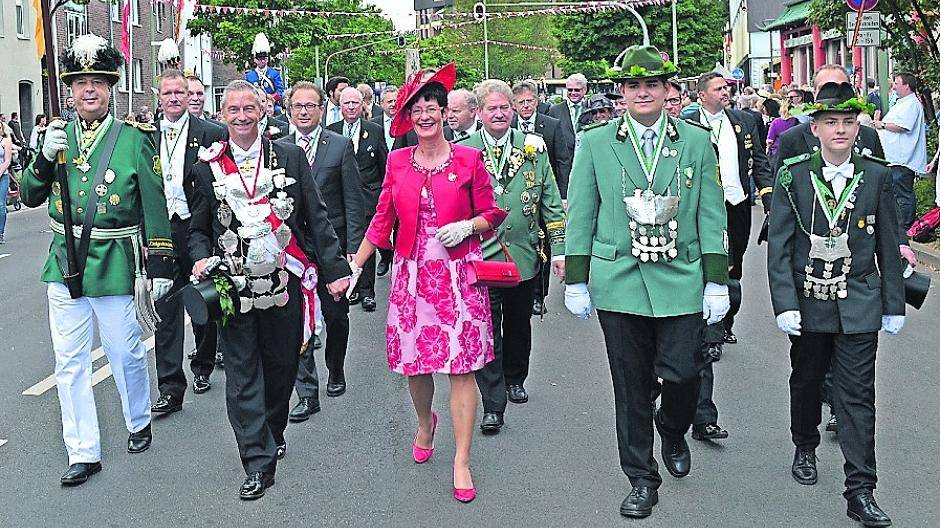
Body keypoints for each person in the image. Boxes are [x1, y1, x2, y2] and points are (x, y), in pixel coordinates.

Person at [564, 45, 730, 518]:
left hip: (681, 276)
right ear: (622, 93)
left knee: (683, 373)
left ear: (666, 91)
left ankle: (673, 427)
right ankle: (641, 477)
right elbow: (582, 213)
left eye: (651, 85)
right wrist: (577, 279)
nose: (642, 93)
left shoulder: (695, 141)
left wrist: (715, 281)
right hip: (619, 279)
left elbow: (710, 212)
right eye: (633, 85)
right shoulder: (596, 142)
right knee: (630, 385)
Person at [19, 33, 176, 486]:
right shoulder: (56, 135)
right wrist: (43, 159)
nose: (89, 90)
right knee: (68, 360)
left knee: (124, 350)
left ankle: (138, 418)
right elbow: (29, 194)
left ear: (110, 89)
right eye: (81, 82)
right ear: (69, 90)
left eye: (98, 82)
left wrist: (161, 264)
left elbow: (153, 205)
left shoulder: (133, 139)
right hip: (64, 261)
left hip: (113, 261)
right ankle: (83, 450)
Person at [349, 63, 507, 503]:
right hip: (412, 275)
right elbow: (382, 220)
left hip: (458, 276)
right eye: (417, 109)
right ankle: (424, 423)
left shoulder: (469, 159)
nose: (425, 115)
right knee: (416, 367)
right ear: (408, 117)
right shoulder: (398, 162)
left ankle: (461, 459)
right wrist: (357, 265)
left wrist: (469, 226)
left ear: (444, 112)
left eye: (432, 107)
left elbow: (493, 214)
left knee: (461, 369)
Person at [188, 79, 351, 499]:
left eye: (249, 108)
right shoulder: (206, 165)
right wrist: (201, 257)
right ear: (222, 115)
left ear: (261, 111)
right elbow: (198, 230)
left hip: (284, 283)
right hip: (234, 288)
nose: (242, 116)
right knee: (242, 376)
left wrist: (335, 270)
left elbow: (315, 217)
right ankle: (257, 461)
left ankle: (272, 430)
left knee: (280, 370)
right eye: (233, 110)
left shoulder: (290, 157)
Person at [767, 81, 904, 528]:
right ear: (817, 128)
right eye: (831, 123)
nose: (841, 130)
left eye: (848, 121)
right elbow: (781, 245)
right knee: (806, 379)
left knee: (858, 396)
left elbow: (888, 241)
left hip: (860, 300)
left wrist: (893, 304)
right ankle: (804, 443)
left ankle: (861, 490)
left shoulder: (876, 175)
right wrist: (784, 301)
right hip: (809, 299)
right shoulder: (794, 173)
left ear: (858, 125)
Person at [459, 79, 566, 433]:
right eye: (492, 108)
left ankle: (516, 376)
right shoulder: (464, 150)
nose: (500, 113)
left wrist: (561, 251)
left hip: (523, 254)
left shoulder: (533, 147)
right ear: (479, 113)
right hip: (480, 255)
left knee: (519, 322)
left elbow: (550, 202)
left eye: (505, 107)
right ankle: (493, 402)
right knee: (487, 326)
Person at [686, 71, 771, 441]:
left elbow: (761, 160)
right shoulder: (685, 123)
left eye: (728, 88)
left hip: (735, 204)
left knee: (732, 266)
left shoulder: (746, 120)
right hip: (700, 209)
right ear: (702, 95)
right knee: (713, 270)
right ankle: (713, 331)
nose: (727, 93)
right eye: (719, 88)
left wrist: (767, 195)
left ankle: (723, 320)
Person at [277, 81, 363, 422]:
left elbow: (354, 201)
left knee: (336, 317)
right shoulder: (278, 148)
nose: (303, 112)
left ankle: (336, 368)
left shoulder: (339, 146)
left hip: (333, 249)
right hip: (295, 252)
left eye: (310, 106)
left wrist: (353, 253)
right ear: (289, 110)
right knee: (298, 321)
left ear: (321, 109)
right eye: (298, 106)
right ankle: (307, 393)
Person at [150, 69, 225, 414]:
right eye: (168, 93)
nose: (176, 98)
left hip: (195, 229)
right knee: (164, 309)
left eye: (181, 92)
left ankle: (203, 365)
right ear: (159, 97)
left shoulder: (211, 133)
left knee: (201, 305)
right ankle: (170, 388)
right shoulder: (146, 135)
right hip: (161, 231)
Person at [510, 79, 572, 315]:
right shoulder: (509, 126)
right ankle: (521, 286)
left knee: (543, 243)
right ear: (514, 105)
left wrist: (563, 195)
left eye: (530, 101)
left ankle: (539, 295)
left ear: (537, 101)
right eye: (521, 102)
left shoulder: (552, 125)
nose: (526, 106)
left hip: (546, 195)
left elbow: (562, 161)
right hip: (519, 199)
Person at [326, 86, 388, 312]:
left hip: (368, 198)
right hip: (340, 198)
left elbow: (384, 166)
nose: (351, 107)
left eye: (355, 103)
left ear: (363, 105)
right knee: (344, 244)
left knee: (366, 245)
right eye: (346, 103)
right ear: (339, 107)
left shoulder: (374, 130)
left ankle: (367, 292)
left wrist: (382, 197)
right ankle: (349, 287)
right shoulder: (330, 131)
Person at [872, 72, 928, 230]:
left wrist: (882, 125)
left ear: (906, 86)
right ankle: (900, 225)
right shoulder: (903, 102)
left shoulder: (911, 104)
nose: (894, 86)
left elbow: (904, 126)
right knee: (897, 193)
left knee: (903, 193)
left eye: (896, 83)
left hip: (903, 158)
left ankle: (905, 226)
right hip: (895, 157)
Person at [371, 85, 397, 277]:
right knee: (380, 223)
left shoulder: (409, 122)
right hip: (379, 182)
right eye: (389, 101)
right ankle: (385, 256)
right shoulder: (373, 125)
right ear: (381, 105)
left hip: (402, 182)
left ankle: (397, 257)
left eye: (396, 100)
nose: (393, 104)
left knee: (400, 224)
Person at [245, 33, 285, 112]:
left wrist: (272, 98)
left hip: (271, 105)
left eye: (264, 59)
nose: (262, 61)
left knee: (278, 110)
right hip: (255, 105)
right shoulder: (249, 76)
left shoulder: (274, 73)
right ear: (255, 60)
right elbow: (247, 93)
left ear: (267, 59)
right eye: (260, 59)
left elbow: (280, 91)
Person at [0, 122, 12, 244]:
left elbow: (7, 160)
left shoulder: (5, 141)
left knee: (1, 205)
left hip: (2, 176)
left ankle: (0, 232)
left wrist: (0, 172)